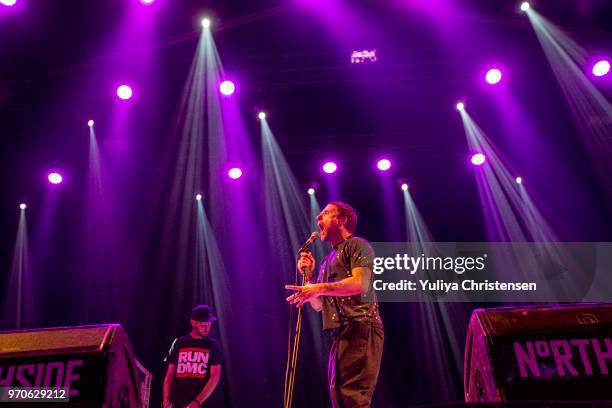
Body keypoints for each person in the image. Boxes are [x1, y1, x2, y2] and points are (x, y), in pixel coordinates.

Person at [286, 201, 384, 408]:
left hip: (361, 326)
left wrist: (319, 287)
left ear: (342, 219)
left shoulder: (357, 244)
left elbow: (360, 283)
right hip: (342, 333)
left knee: (351, 396)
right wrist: (309, 280)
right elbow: (319, 305)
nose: (317, 218)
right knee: (339, 394)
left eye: (325, 214)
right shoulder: (327, 260)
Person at [163, 305, 223, 408]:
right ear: (193, 322)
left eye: (209, 325)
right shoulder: (179, 343)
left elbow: (215, 378)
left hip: (201, 404)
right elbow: (169, 377)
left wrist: (197, 402)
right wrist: (165, 400)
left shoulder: (213, 346)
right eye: (203, 325)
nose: (207, 329)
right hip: (177, 404)